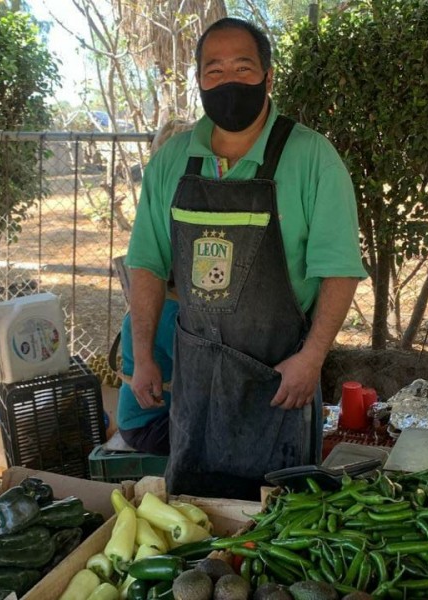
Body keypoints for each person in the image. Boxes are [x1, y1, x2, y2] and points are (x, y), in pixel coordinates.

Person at [125, 17, 366, 499]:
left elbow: (339, 268)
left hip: (279, 379)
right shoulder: (172, 160)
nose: (228, 81)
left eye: (243, 67)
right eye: (214, 71)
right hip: (196, 385)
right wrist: (146, 356)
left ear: (268, 77)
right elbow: (147, 262)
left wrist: (312, 357)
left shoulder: (312, 157)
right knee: (194, 517)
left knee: (280, 520)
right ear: (199, 82)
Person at [115, 295, 178, 455]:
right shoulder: (170, 314)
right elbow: (203, 372)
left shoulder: (147, 305)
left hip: (137, 423)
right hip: (149, 426)